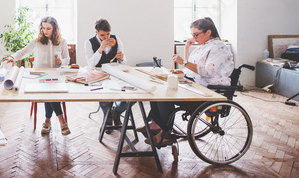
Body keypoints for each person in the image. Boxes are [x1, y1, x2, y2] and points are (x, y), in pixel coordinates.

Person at [140, 17, 234, 148]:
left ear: (208, 32)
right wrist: (186, 49)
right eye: (192, 35)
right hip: (196, 86)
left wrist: (183, 62)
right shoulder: (204, 46)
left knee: (165, 96)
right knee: (158, 89)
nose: (194, 38)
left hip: (208, 93)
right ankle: (156, 124)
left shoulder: (218, 48)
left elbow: (207, 72)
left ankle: (165, 134)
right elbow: (191, 67)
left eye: (196, 35)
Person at [4, 16, 71, 136]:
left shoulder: (62, 42)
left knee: (50, 91)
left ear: (55, 29)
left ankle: (47, 121)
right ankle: (62, 121)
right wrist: (12, 57)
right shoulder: (37, 42)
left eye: (48, 28)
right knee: (49, 91)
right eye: (43, 28)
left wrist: (61, 61)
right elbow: (23, 52)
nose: (45, 31)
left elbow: (67, 59)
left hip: (56, 76)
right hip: (39, 77)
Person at [84, 18, 128, 133]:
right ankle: (107, 116)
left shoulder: (116, 39)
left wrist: (122, 58)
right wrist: (101, 49)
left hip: (115, 73)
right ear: (96, 32)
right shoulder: (89, 43)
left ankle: (117, 112)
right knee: (103, 94)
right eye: (102, 35)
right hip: (99, 74)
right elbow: (90, 64)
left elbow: (124, 62)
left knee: (131, 95)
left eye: (108, 34)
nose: (106, 37)